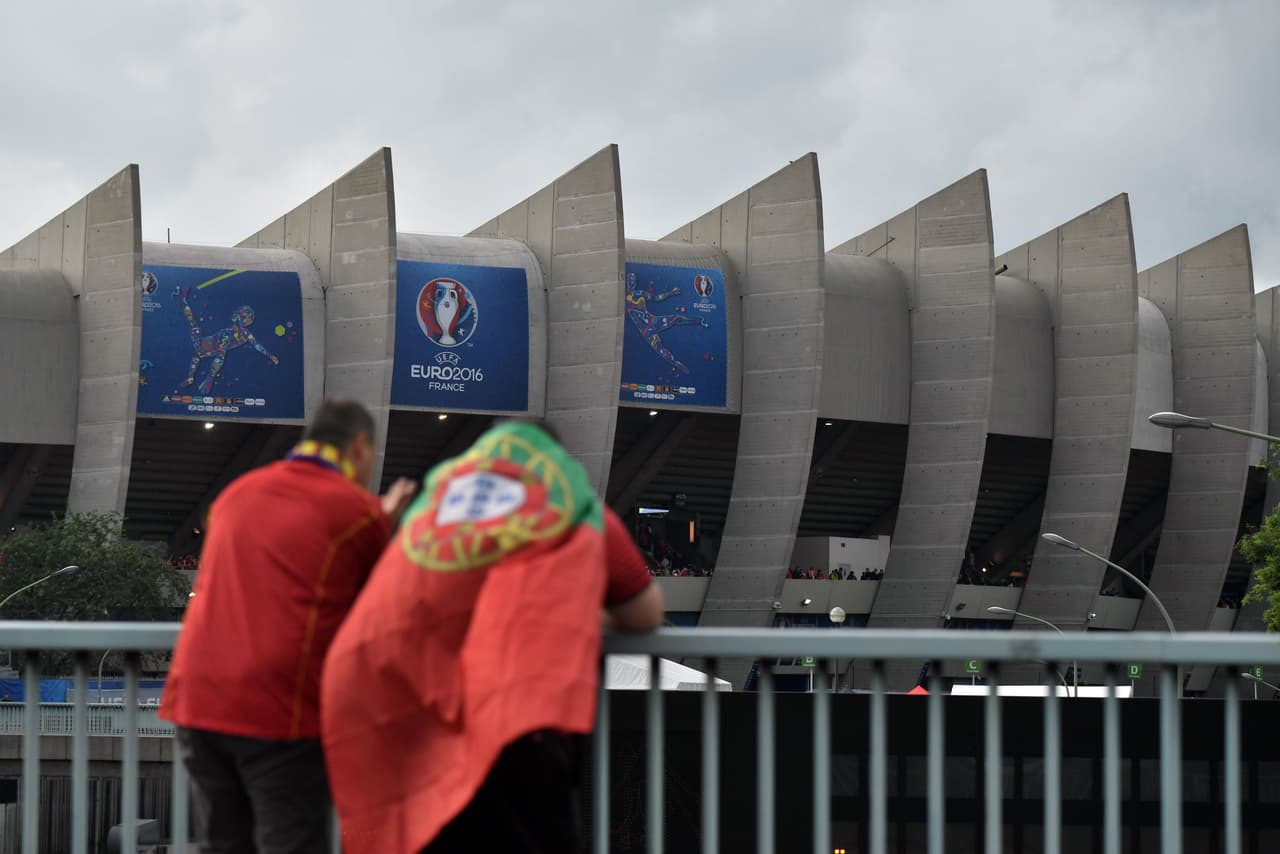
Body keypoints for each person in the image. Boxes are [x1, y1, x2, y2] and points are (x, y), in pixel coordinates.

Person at [321, 419, 663, 854]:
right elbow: (645, 612)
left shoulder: (432, 511)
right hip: (519, 720)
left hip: (414, 715)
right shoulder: (568, 502)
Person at [160, 398, 417, 853]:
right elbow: (383, 608)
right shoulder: (357, 512)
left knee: (222, 846)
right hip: (278, 711)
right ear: (359, 446)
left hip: (197, 702)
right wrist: (384, 520)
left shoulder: (235, 495)